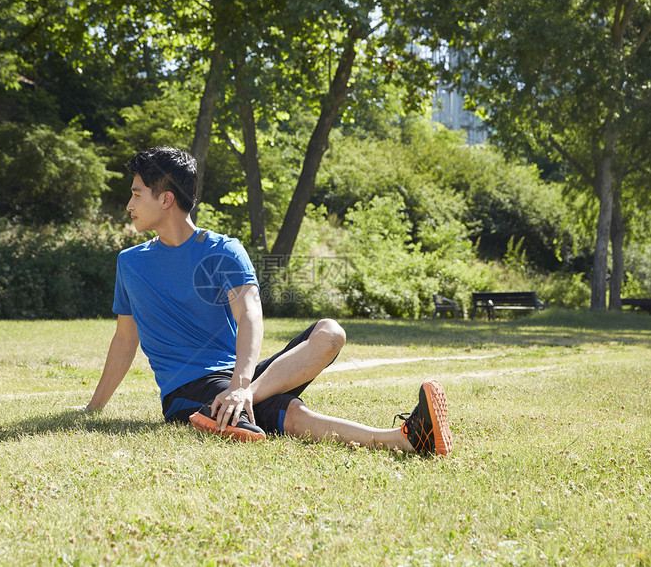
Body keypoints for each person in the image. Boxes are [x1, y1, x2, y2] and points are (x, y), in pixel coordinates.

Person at [83, 146, 452, 456]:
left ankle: (241, 400)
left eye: (135, 193)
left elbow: (250, 316)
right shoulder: (130, 263)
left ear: (165, 199)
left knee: (330, 333)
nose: (128, 203)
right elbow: (125, 341)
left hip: (241, 376)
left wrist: (242, 386)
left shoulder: (224, 251)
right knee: (286, 413)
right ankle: (403, 440)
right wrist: (94, 408)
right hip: (186, 391)